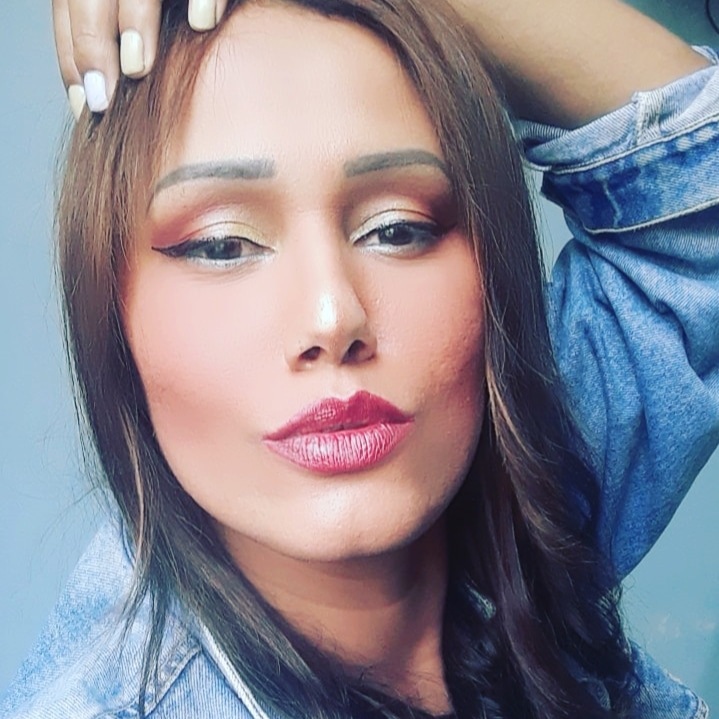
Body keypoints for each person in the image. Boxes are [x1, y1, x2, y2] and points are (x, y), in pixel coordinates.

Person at [3, 0, 718, 717]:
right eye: (223, 245)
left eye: (397, 230)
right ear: (112, 311)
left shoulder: (520, 490)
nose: (333, 316)